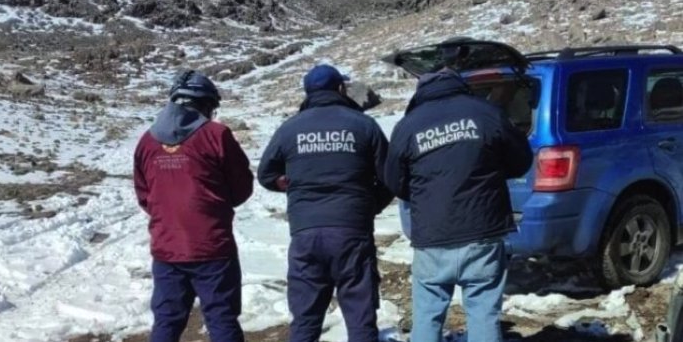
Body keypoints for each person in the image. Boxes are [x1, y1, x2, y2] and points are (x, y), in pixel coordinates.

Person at [385, 68, 533, 342]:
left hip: (432, 234)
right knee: (482, 312)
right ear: (459, 85)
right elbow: (521, 159)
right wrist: (492, 171)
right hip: (482, 230)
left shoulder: (408, 125)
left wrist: (424, 194)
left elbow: (394, 181)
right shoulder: (486, 113)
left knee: (427, 313)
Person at [258, 64, 393, 342]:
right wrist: (369, 205)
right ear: (341, 89)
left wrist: (290, 185)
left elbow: (266, 175)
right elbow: (391, 176)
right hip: (352, 229)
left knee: (306, 317)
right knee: (360, 316)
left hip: (306, 232)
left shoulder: (290, 128)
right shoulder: (363, 124)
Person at [133, 70, 254, 342]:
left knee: (166, 321)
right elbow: (242, 186)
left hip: (167, 247)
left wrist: (167, 214)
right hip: (212, 245)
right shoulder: (216, 135)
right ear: (206, 104)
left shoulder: (147, 141)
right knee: (222, 318)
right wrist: (215, 205)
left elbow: (144, 194)